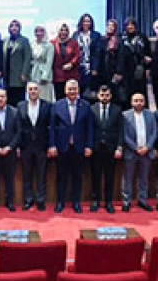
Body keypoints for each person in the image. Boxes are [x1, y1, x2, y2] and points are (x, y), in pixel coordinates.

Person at [49, 78, 94, 214]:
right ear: (65, 90)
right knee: (61, 176)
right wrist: (52, 145)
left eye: (74, 89)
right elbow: (52, 128)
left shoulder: (86, 106)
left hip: (79, 147)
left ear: (78, 90)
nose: (72, 91)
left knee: (77, 176)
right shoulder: (57, 105)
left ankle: (76, 203)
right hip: (62, 147)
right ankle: (60, 202)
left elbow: (90, 128)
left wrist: (89, 146)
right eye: (70, 89)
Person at [121, 92, 158, 212]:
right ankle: (127, 202)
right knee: (128, 178)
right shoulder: (125, 115)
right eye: (136, 101)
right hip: (131, 151)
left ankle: (143, 200)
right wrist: (135, 148)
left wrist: (147, 147)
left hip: (146, 152)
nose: (138, 103)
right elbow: (124, 135)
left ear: (144, 102)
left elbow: (154, 132)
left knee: (144, 178)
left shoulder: (151, 115)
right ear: (131, 102)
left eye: (141, 101)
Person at [18, 81, 52, 210]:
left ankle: (41, 200)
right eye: (30, 89)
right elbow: (18, 128)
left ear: (39, 91)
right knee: (27, 174)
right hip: (25, 145)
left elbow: (50, 127)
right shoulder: (20, 106)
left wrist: (50, 145)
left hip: (41, 145)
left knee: (41, 174)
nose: (33, 91)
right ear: (27, 91)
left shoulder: (47, 106)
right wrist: (18, 146)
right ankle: (28, 199)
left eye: (35, 89)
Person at [89, 85, 123, 213]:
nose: (104, 97)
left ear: (111, 96)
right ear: (98, 96)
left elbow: (121, 130)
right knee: (95, 176)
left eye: (107, 95)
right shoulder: (92, 109)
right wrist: (89, 146)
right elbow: (89, 129)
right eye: (102, 95)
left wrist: (119, 147)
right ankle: (96, 201)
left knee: (110, 177)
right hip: (96, 148)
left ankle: (109, 202)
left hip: (111, 149)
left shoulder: (117, 110)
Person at [119, 18, 149, 108]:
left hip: (139, 69)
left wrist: (148, 68)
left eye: (132, 24)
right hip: (125, 71)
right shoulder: (121, 38)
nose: (130, 27)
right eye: (128, 25)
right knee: (127, 94)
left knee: (140, 92)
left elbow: (148, 53)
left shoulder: (142, 37)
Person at [2, 20, 32, 106]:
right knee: (8, 100)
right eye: (12, 26)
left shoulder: (24, 40)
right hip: (7, 76)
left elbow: (27, 58)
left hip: (19, 76)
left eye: (16, 26)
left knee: (18, 100)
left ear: (20, 28)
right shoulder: (5, 40)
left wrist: (25, 73)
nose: (14, 28)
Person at [94, 19, 124, 104]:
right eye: (109, 25)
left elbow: (121, 57)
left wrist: (119, 72)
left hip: (114, 71)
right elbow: (97, 55)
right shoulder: (101, 40)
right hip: (102, 71)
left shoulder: (119, 41)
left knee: (114, 94)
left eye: (112, 26)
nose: (110, 27)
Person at [52, 22, 81, 102]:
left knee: (72, 98)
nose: (64, 32)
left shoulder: (74, 43)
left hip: (71, 74)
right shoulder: (52, 43)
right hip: (58, 76)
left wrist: (71, 63)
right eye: (61, 30)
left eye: (66, 30)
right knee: (59, 99)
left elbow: (77, 56)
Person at [74, 13, 101, 95]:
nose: (86, 23)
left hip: (90, 67)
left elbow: (97, 53)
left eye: (88, 21)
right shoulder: (76, 35)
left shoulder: (96, 35)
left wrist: (95, 68)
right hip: (78, 67)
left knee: (89, 91)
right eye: (84, 21)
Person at [28, 25, 55, 103]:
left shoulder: (49, 45)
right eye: (37, 31)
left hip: (44, 74)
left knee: (45, 99)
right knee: (34, 98)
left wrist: (45, 76)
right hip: (33, 74)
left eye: (41, 31)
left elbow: (49, 62)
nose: (39, 33)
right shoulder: (32, 44)